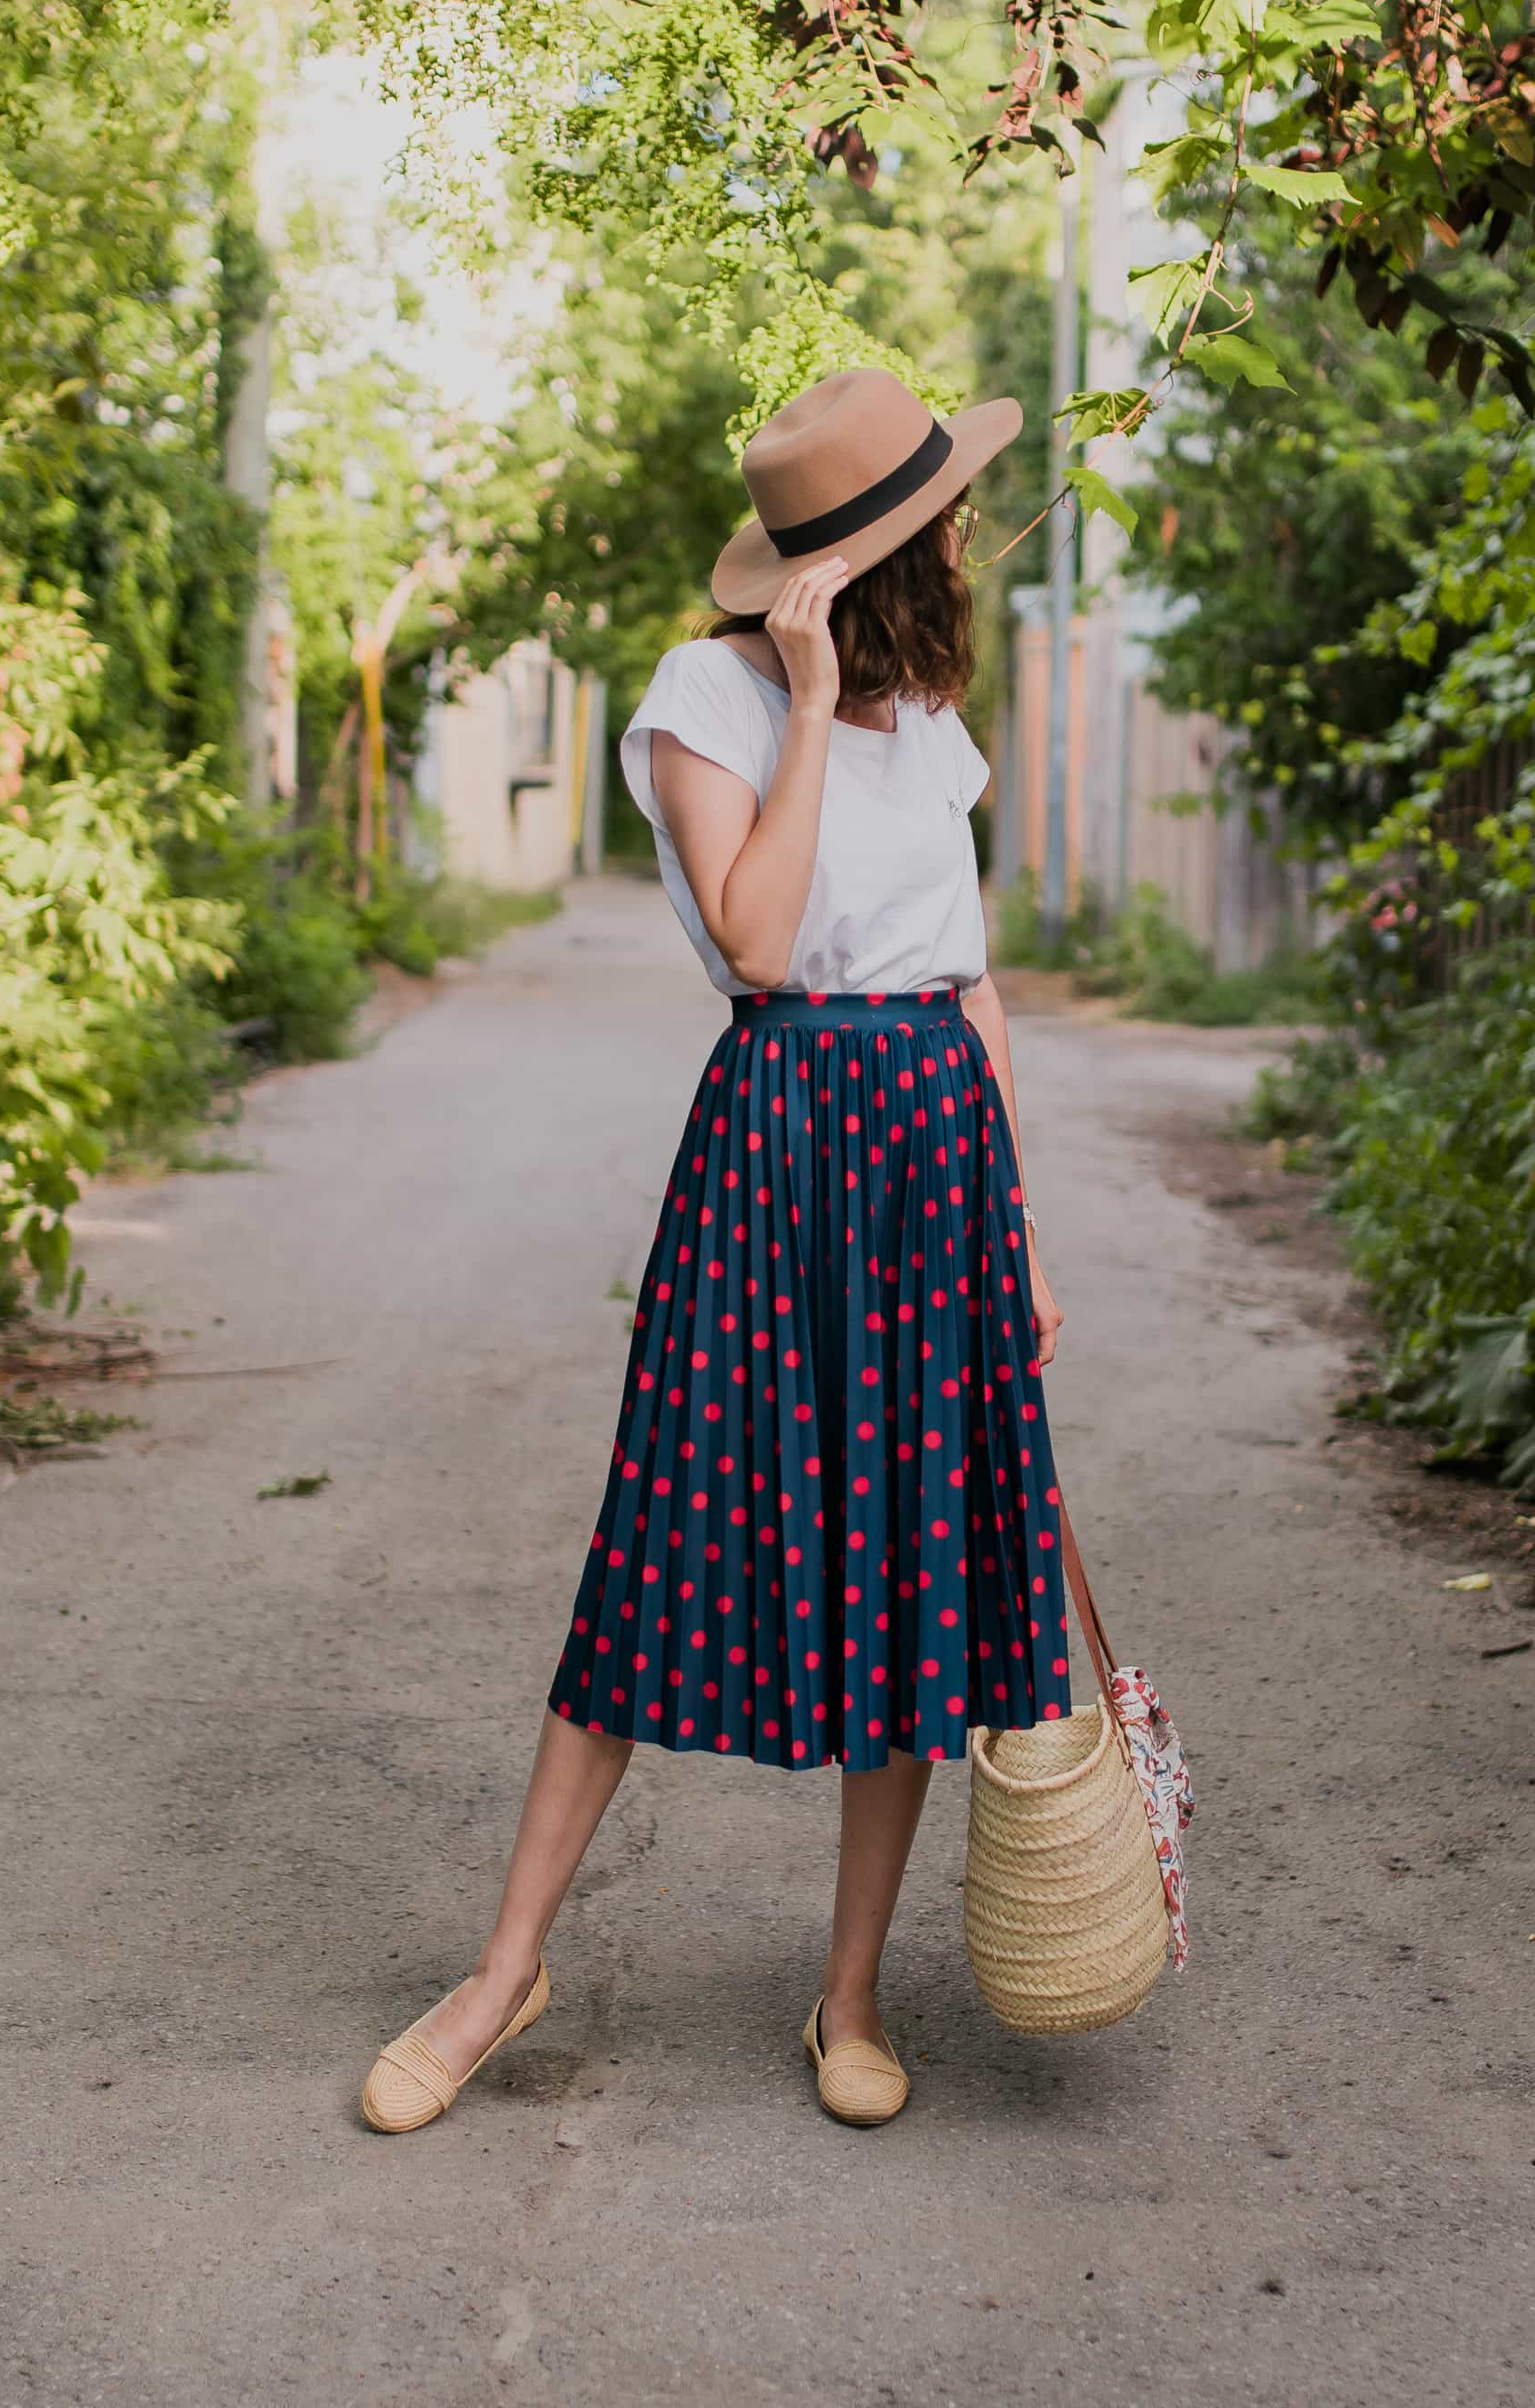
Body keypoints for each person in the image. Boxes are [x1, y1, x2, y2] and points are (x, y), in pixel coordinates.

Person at [358, 367, 1074, 2134]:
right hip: (782, 1146)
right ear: (860, 562)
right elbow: (760, 942)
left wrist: (1027, 1233)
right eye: (939, 526)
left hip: (937, 1159)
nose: (961, 544)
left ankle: (846, 2002)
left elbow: (964, 975)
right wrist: (811, 705)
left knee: (908, 1572)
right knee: (656, 1542)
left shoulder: (935, 723)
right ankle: (503, 1967)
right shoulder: (710, 695)